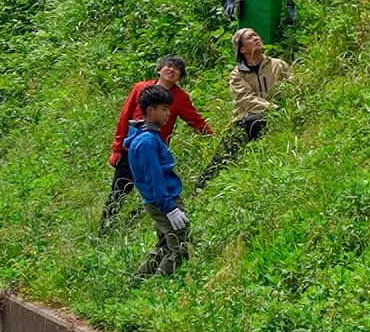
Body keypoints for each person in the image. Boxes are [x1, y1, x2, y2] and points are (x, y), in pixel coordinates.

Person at [102, 55, 212, 231]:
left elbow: (195, 119)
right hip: (129, 149)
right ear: (159, 69)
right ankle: (106, 227)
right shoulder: (140, 88)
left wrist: (211, 136)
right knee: (119, 190)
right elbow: (125, 117)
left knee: (154, 189)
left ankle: (138, 221)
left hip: (154, 151)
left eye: (177, 69)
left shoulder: (180, 97)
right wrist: (116, 148)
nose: (171, 70)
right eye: (168, 66)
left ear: (180, 76)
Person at [196, 28, 292, 190]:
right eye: (250, 37)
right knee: (227, 150)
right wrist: (274, 109)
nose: (256, 38)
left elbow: (293, 86)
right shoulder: (237, 75)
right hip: (246, 119)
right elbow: (246, 99)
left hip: (277, 115)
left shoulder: (278, 65)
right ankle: (204, 183)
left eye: (256, 34)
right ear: (242, 49)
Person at [124, 85, 190, 279]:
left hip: (159, 200)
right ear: (150, 111)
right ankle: (160, 287)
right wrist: (169, 208)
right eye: (164, 109)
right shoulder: (146, 141)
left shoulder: (147, 137)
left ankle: (139, 280)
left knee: (163, 245)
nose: (168, 114)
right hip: (162, 200)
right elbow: (155, 177)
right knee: (180, 244)